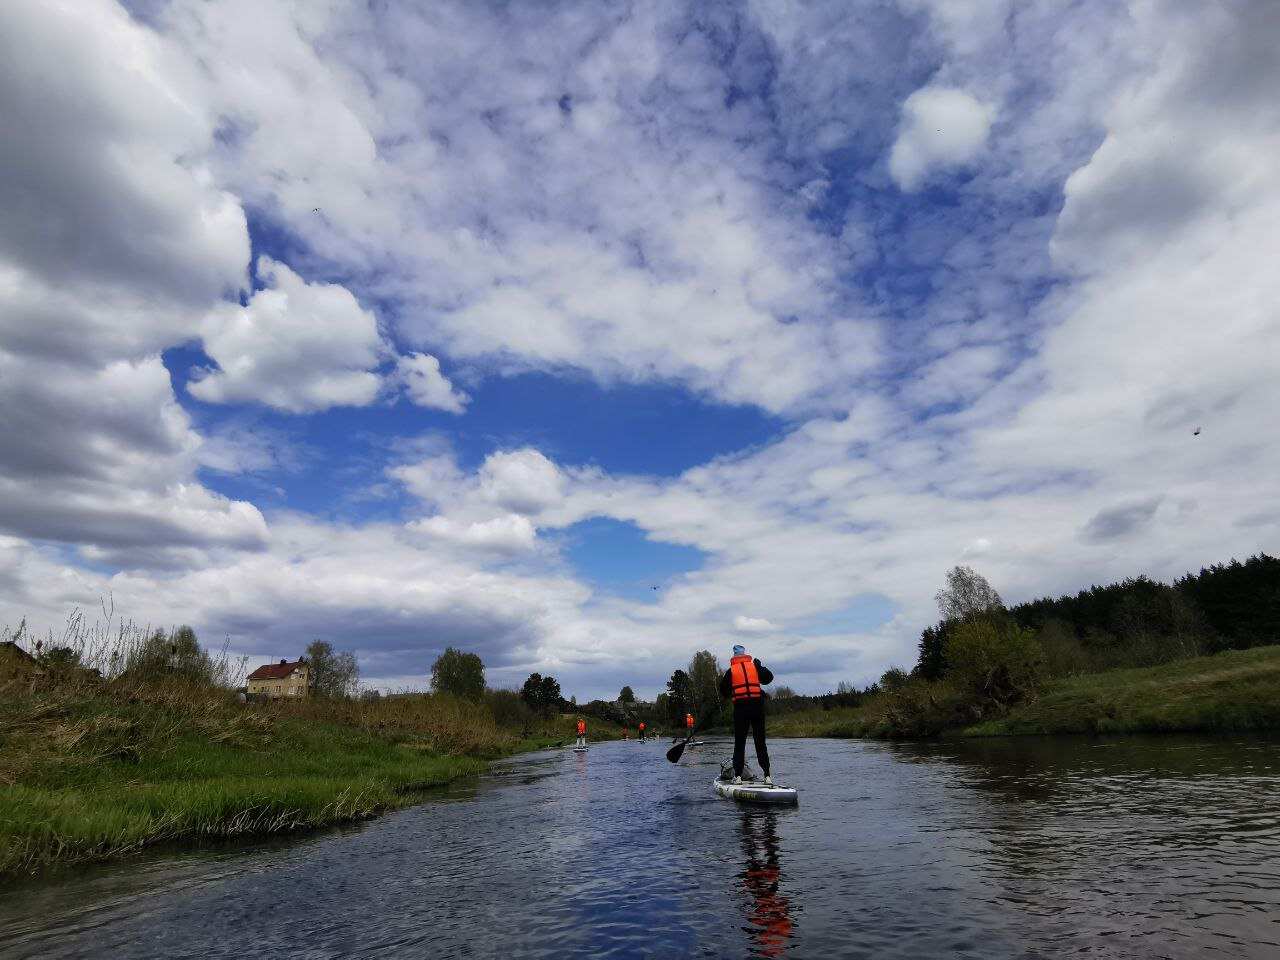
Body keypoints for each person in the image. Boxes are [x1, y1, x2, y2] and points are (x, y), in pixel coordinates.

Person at [719, 644, 774, 784]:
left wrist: (732, 692)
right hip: (757, 708)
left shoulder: (731, 671)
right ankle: (767, 775)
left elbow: (723, 691)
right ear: (745, 655)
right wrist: (760, 667)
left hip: (741, 709)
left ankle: (737, 776)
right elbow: (768, 678)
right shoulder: (754, 666)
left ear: (734, 657)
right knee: (760, 742)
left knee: (739, 743)